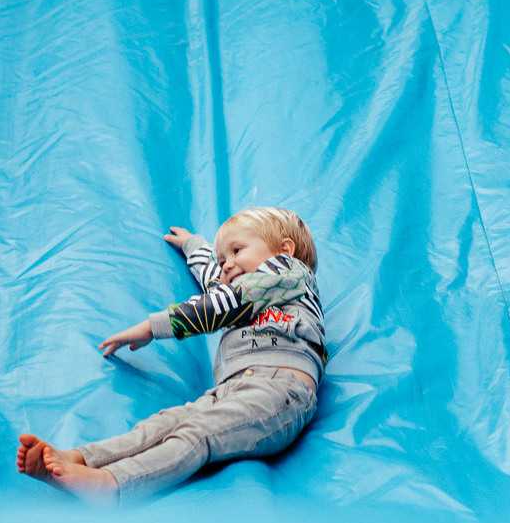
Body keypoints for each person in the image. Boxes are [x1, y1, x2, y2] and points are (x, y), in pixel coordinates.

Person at [18, 208, 326, 504]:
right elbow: (215, 282)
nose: (227, 265)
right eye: (223, 259)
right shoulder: (237, 283)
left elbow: (225, 301)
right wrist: (194, 246)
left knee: (198, 433)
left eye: (237, 250)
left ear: (284, 250)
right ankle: (81, 458)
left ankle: (113, 485)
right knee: (162, 425)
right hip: (230, 390)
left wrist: (152, 327)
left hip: (279, 390)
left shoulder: (288, 272)